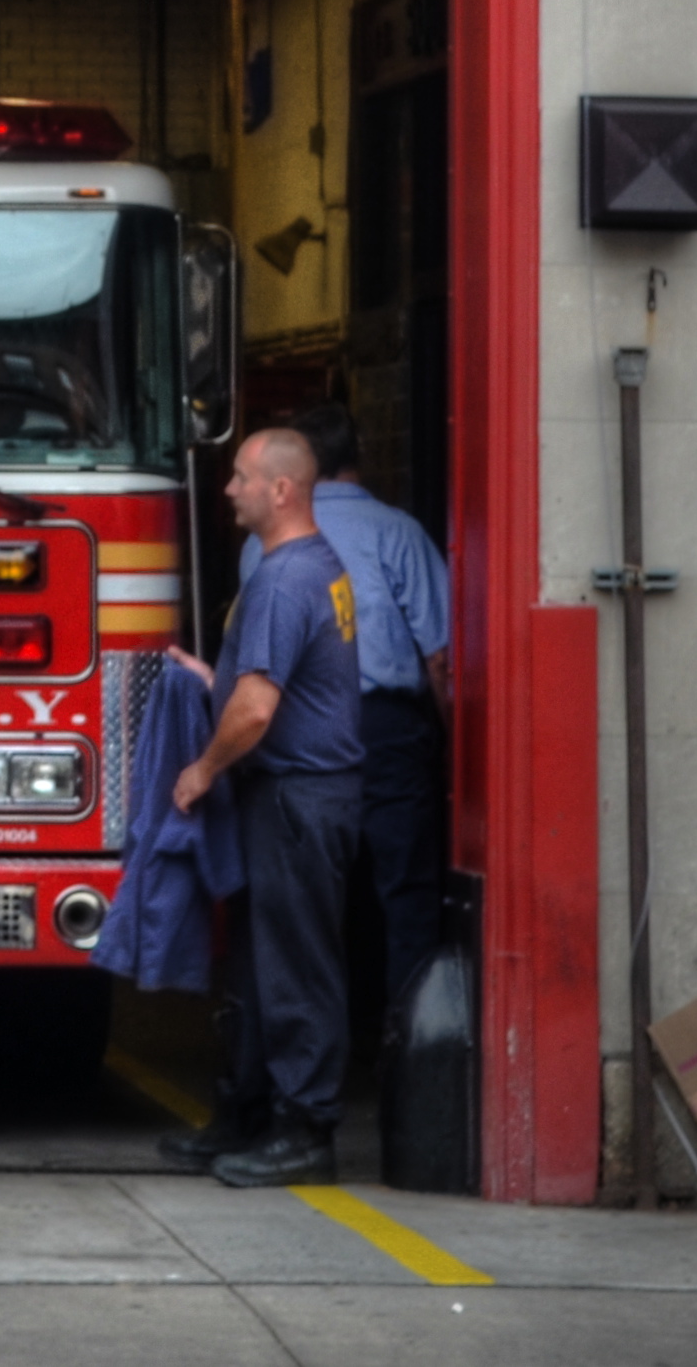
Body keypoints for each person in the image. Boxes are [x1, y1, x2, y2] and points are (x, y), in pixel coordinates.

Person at [165, 421, 367, 1188]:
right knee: (256, 963)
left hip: (296, 799)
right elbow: (263, 684)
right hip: (295, 797)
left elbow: (255, 709)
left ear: (279, 489)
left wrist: (201, 770)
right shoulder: (311, 567)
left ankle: (304, 1128)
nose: (227, 488)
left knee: (296, 965)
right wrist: (208, 674)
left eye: (241, 475)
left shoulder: (284, 578)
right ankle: (248, 1110)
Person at [293, 403, 456, 1034]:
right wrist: (451, 746)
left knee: (311, 898)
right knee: (405, 891)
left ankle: (317, 1054)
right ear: (357, 456)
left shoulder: (270, 544)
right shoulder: (397, 531)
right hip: (387, 729)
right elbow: (441, 657)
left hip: (301, 732)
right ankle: (408, 1052)